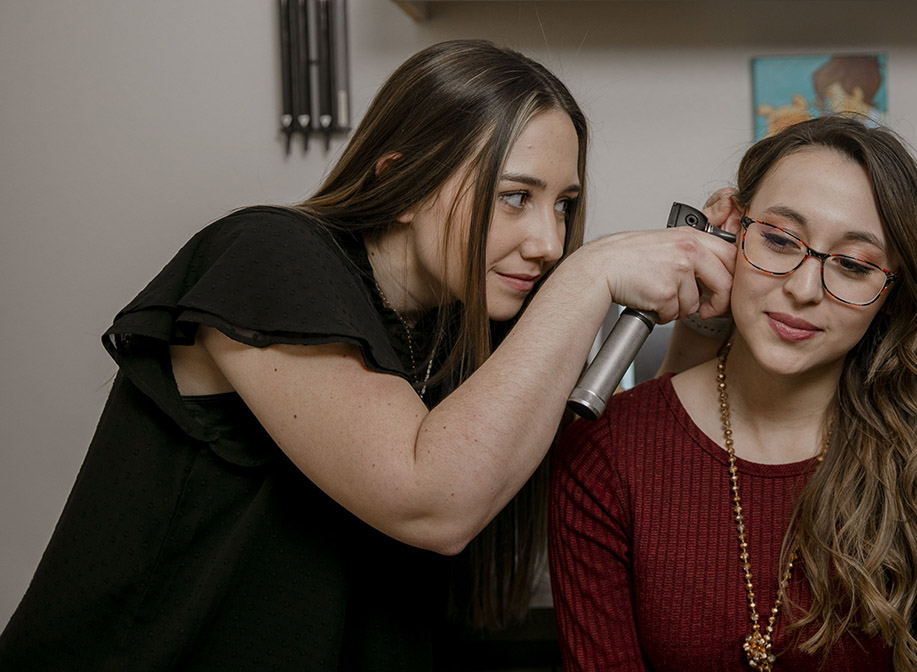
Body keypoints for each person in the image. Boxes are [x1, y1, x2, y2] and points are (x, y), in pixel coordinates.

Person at [0, 40, 737, 670]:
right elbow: (430, 500)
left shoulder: (468, 329)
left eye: (565, 205)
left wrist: (703, 322)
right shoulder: (266, 255)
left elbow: (601, 470)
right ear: (400, 183)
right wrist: (589, 273)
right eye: (516, 197)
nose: (548, 240)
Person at [549, 115, 917, 672]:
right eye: (778, 239)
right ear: (729, 235)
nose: (802, 288)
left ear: (892, 292)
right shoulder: (606, 454)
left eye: (854, 265)